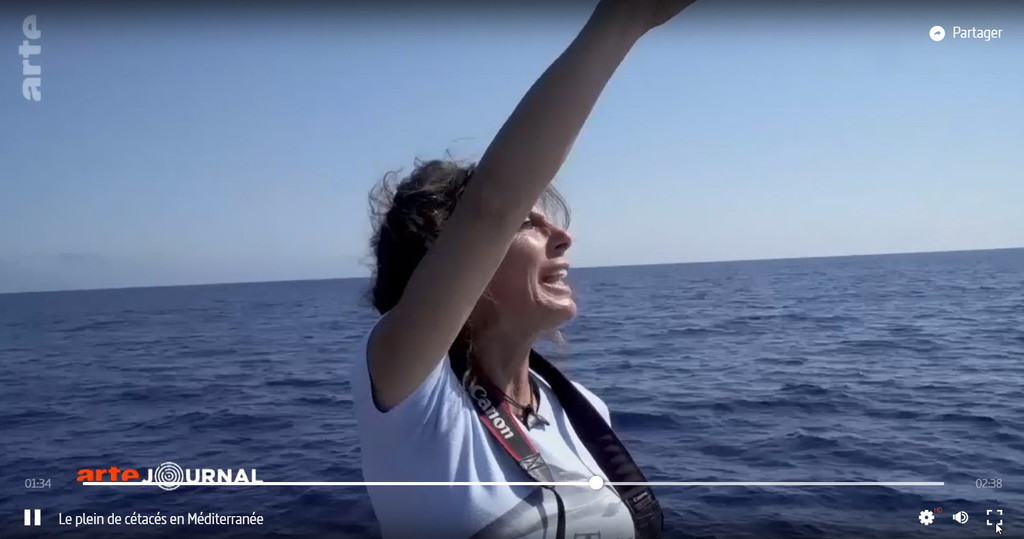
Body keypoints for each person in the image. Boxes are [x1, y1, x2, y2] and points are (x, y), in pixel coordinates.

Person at [352, 1, 697, 537]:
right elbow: (492, 204)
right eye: (527, 223)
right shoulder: (413, 397)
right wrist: (623, 20)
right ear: (457, 260)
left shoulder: (581, 409)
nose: (564, 236)